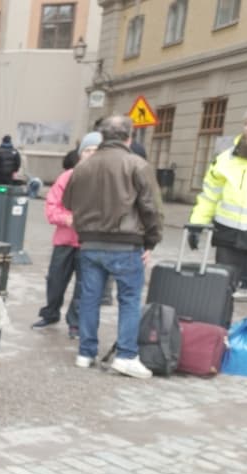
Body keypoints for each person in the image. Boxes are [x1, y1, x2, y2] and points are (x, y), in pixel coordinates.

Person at [63, 115, 163, 378]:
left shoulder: (82, 167)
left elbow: (68, 201)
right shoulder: (137, 164)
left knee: (89, 299)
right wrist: (151, 240)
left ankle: (86, 353)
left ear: (103, 137)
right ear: (130, 137)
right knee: (129, 299)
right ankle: (126, 356)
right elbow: (151, 208)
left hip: (89, 243)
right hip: (125, 243)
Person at [188, 100, 247, 366]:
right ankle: (218, 340)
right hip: (229, 234)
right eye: (246, 122)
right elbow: (209, 194)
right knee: (221, 289)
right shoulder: (227, 157)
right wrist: (197, 223)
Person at [33, 132, 103, 338]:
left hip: (89, 242)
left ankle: (75, 322)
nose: (91, 154)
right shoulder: (67, 177)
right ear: (81, 154)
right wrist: (67, 219)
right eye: (88, 150)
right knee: (55, 280)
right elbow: (52, 206)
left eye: (96, 151)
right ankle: (50, 312)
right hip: (65, 239)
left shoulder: (105, 180)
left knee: (84, 286)